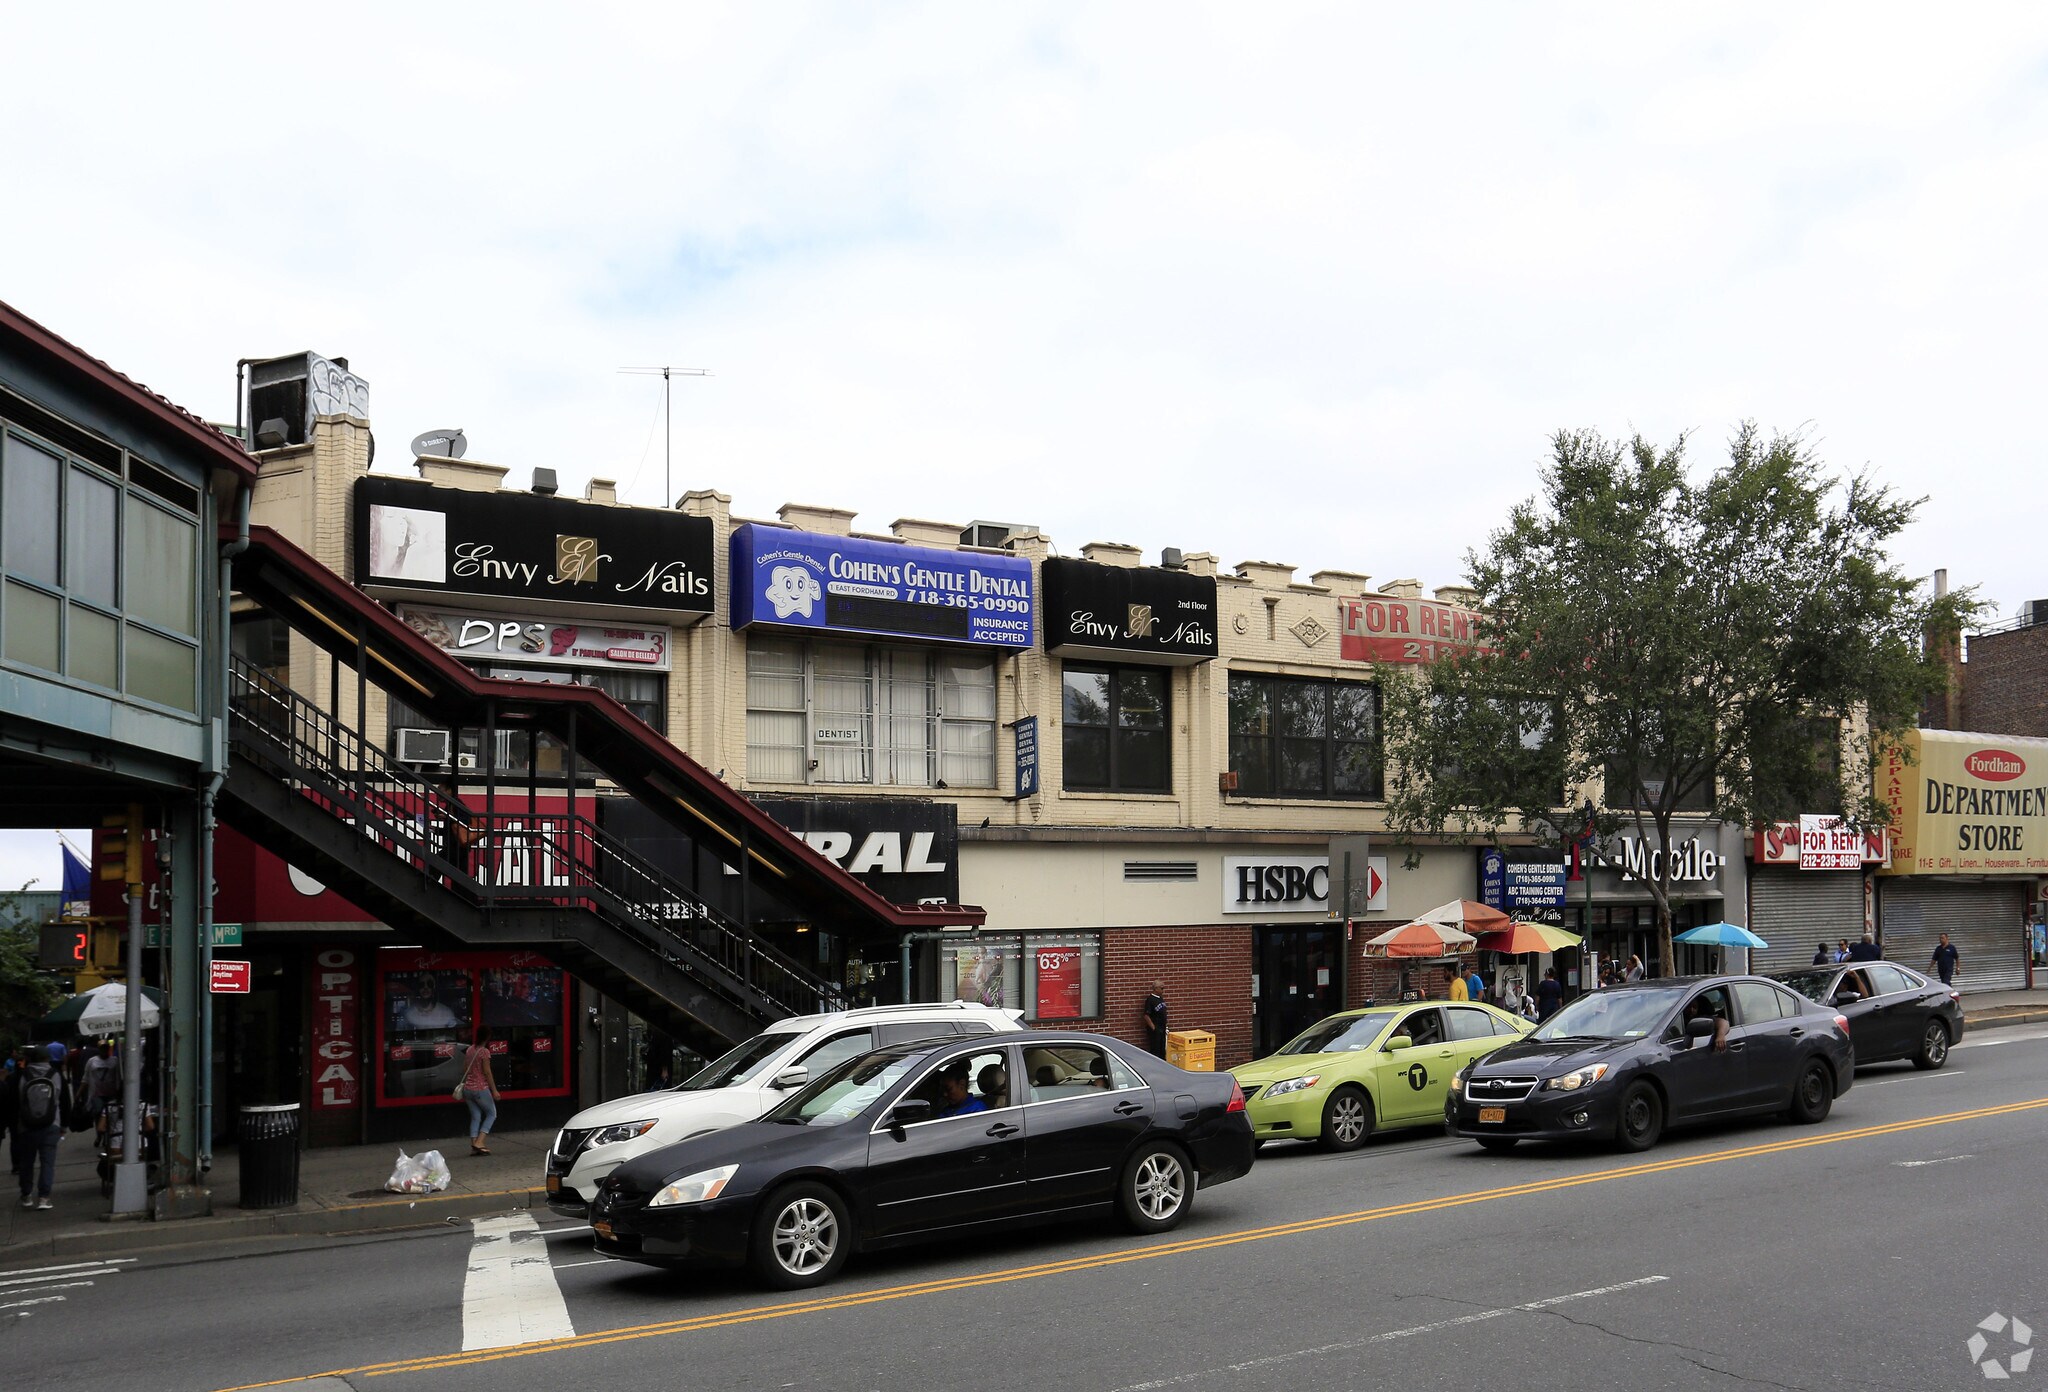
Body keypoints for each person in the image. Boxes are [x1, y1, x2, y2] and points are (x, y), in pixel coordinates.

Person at [7, 1043, 73, 1210]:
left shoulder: (21, 1075)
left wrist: (14, 1125)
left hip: (26, 1126)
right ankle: (44, 1198)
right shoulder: (56, 1074)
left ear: (30, 1058)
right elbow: (65, 1101)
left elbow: (13, 1103)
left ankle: (26, 1195)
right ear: (48, 1058)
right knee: (47, 1162)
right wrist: (64, 1124)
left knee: (26, 1162)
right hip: (51, 1124)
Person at [455, 1032, 500, 1156]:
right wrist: (494, 1090)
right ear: (487, 1038)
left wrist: (473, 1073)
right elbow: (487, 1072)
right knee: (492, 1113)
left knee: (476, 1115)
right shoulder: (484, 1052)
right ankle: (480, 1142)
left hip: (467, 1088)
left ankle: (474, 1145)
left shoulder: (469, 1050)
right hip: (480, 1088)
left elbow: (464, 1069)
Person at [82, 1040, 121, 1124]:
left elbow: (119, 1076)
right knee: (98, 1113)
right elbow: (85, 1078)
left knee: (113, 1115)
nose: (104, 1050)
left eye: (105, 1048)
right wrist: (78, 1095)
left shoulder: (114, 1060)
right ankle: (100, 1133)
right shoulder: (92, 1061)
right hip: (97, 1094)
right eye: (102, 1048)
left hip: (111, 1094)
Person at [1141, 983, 1169, 1057]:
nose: (1163, 990)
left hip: (1162, 1028)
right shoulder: (1150, 1000)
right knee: (1155, 1050)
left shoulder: (1160, 998)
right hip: (1156, 1029)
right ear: (1156, 989)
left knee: (1162, 1049)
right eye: (1162, 988)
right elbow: (1146, 1015)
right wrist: (1154, 1028)